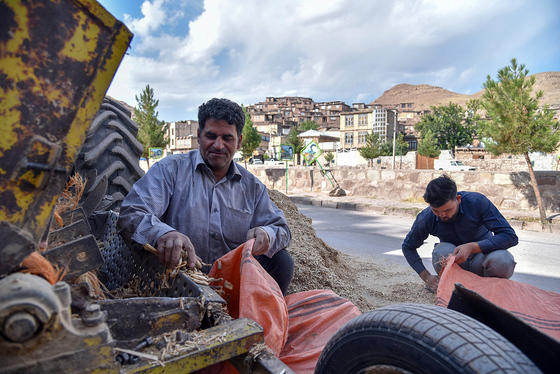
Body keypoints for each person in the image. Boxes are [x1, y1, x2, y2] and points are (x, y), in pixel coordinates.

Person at [117, 98, 294, 294]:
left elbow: (281, 228)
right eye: (211, 136)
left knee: (282, 261)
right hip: (176, 280)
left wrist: (266, 234)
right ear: (199, 135)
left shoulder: (252, 187)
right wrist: (162, 233)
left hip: (230, 286)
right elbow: (131, 212)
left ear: (240, 141)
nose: (218, 145)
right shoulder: (169, 170)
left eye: (227, 138)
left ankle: (253, 319)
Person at [402, 174, 517, 292]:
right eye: (436, 211)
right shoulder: (426, 217)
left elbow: (510, 236)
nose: (442, 215)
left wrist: (473, 247)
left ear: (458, 199)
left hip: (482, 259)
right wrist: (427, 277)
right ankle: (453, 287)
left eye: (447, 210)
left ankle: (488, 289)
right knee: (441, 252)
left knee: (503, 261)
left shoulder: (477, 202)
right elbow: (408, 247)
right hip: (454, 264)